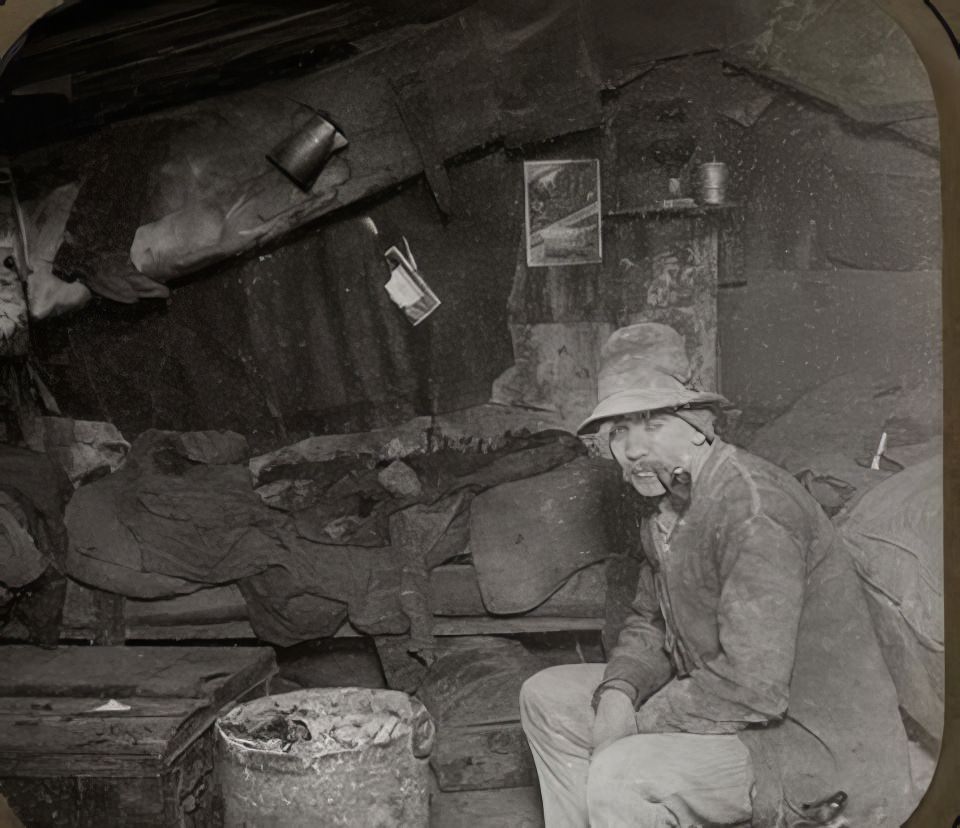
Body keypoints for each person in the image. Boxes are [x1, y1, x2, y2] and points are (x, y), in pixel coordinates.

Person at [519, 323, 914, 828]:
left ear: (699, 423)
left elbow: (755, 687)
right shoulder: (668, 503)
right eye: (618, 431)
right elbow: (649, 622)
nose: (633, 448)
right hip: (724, 704)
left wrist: (639, 723)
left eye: (652, 423)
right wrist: (619, 691)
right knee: (547, 698)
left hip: (810, 745)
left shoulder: (753, 508)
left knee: (622, 770)